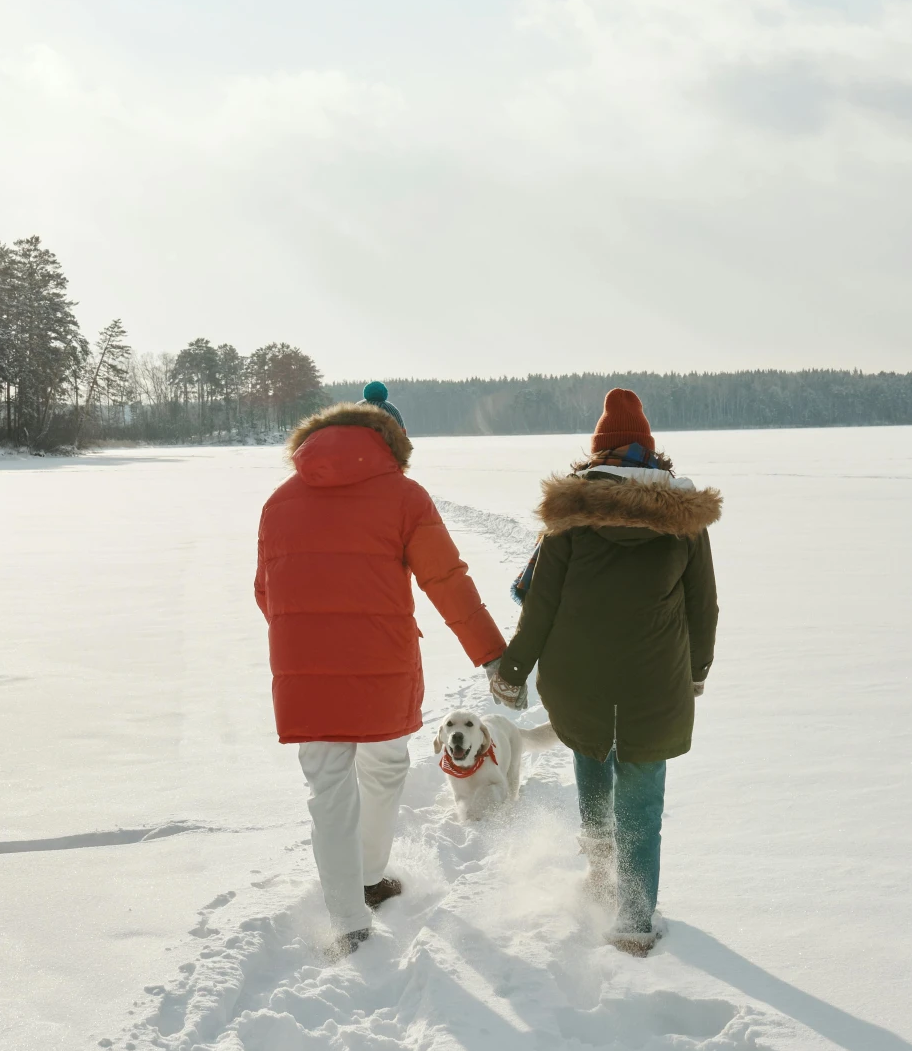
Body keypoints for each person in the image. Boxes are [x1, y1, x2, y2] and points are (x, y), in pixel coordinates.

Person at [256, 386, 505, 955]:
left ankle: (348, 921)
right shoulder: (405, 496)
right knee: (387, 764)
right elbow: (446, 581)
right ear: (391, 443)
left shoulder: (280, 501)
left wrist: (304, 637)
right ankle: (368, 878)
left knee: (328, 790)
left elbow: (264, 591)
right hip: (379, 666)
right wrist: (493, 654)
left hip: (304, 674)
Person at [488, 388, 719, 955]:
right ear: (649, 452)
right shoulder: (683, 522)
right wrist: (695, 671)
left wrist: (513, 672)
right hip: (654, 687)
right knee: (641, 799)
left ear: (597, 454)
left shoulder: (568, 521)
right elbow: (702, 606)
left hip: (579, 683)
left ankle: (598, 876)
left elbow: (540, 606)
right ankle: (635, 921)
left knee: (593, 765)